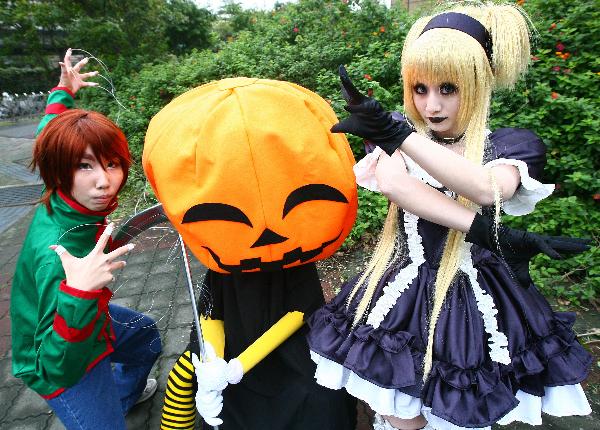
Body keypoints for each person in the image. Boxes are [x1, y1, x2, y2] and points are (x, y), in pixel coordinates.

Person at [307, 3, 592, 430]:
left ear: (478, 85)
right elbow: (399, 188)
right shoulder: (398, 138)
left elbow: (485, 188)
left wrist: (400, 135)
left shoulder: (512, 144)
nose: (431, 105)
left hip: (474, 296)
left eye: (448, 88)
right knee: (397, 410)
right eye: (420, 89)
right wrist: (399, 136)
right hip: (402, 286)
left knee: (460, 411)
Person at [142, 77, 359, 429]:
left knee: (321, 400)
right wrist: (213, 361)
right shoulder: (225, 260)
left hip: (294, 356)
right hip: (233, 358)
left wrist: (239, 365)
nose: (265, 233)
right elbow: (212, 311)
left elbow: (298, 314)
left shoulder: (293, 262)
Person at [10, 49, 161, 430]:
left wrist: (63, 89)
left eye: (111, 163)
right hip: (61, 358)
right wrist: (79, 295)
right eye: (85, 166)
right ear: (60, 169)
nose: (104, 181)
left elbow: (51, 125)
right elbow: (52, 364)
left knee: (147, 339)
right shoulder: (56, 259)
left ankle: (125, 396)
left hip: (85, 318)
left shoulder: (59, 179)